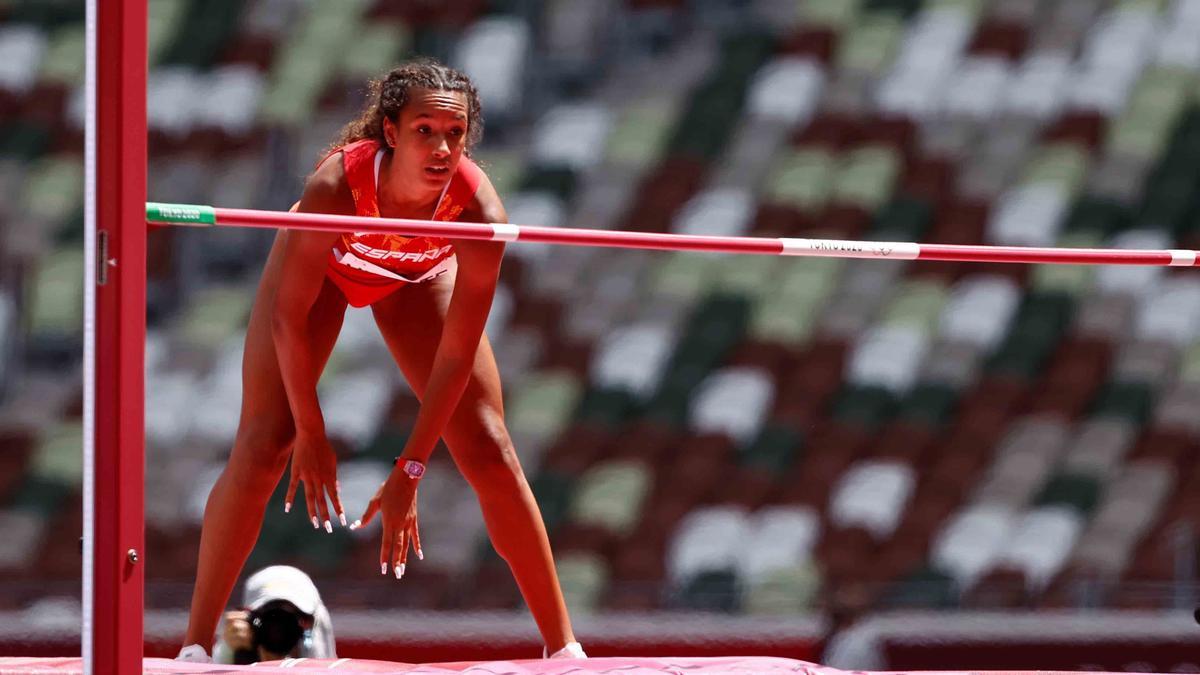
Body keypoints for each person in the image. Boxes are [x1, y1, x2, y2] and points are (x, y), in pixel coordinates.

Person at [177, 58, 584, 662]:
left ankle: (565, 650)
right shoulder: (334, 188)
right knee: (268, 440)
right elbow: (289, 317)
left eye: (455, 134)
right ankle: (195, 647)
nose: (443, 147)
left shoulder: (479, 215)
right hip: (328, 272)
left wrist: (410, 470)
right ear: (390, 132)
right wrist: (312, 433)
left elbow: (456, 354)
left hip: (415, 276)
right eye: (425, 131)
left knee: (490, 446)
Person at [211, 565, 336, 664]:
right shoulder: (231, 655)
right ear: (248, 621)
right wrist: (227, 654)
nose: (278, 631)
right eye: (268, 618)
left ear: (314, 622)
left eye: (290, 621)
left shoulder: (317, 630)